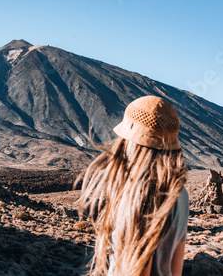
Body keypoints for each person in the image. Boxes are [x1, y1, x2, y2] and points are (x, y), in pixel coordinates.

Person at [78, 96, 189, 276]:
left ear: (129, 142)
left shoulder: (139, 192)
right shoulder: (180, 192)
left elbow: (137, 269)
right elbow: (176, 267)